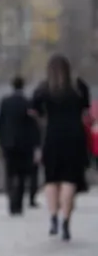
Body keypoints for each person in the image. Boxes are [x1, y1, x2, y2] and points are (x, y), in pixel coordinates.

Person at [32, 54, 91, 241]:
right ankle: (66, 220)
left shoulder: (44, 88)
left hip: (53, 136)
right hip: (74, 137)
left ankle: (53, 217)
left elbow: (35, 110)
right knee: (69, 179)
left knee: (52, 179)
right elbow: (86, 110)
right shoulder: (79, 87)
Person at [0, 76, 39, 215]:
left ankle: (11, 201)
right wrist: (35, 144)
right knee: (21, 175)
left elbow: (0, 123)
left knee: (10, 173)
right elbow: (33, 125)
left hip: (8, 143)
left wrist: (1, 141)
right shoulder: (27, 103)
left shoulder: (5, 102)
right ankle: (19, 204)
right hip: (24, 145)